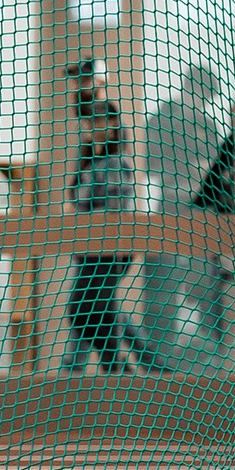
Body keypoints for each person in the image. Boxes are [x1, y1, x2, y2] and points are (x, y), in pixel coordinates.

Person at [135, 65, 231, 359]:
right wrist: (187, 170)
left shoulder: (209, 126)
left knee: (205, 285)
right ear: (189, 86)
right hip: (169, 210)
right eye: (201, 92)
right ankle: (158, 360)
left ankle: (212, 359)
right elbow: (150, 165)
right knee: (161, 288)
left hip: (202, 214)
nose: (203, 99)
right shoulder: (163, 118)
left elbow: (218, 174)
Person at [66, 102, 159, 373]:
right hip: (90, 250)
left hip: (108, 249)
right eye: (89, 122)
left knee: (81, 311)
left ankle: (118, 369)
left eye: (99, 121)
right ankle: (152, 370)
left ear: (113, 125)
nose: (92, 127)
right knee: (106, 312)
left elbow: (115, 211)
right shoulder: (90, 160)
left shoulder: (116, 162)